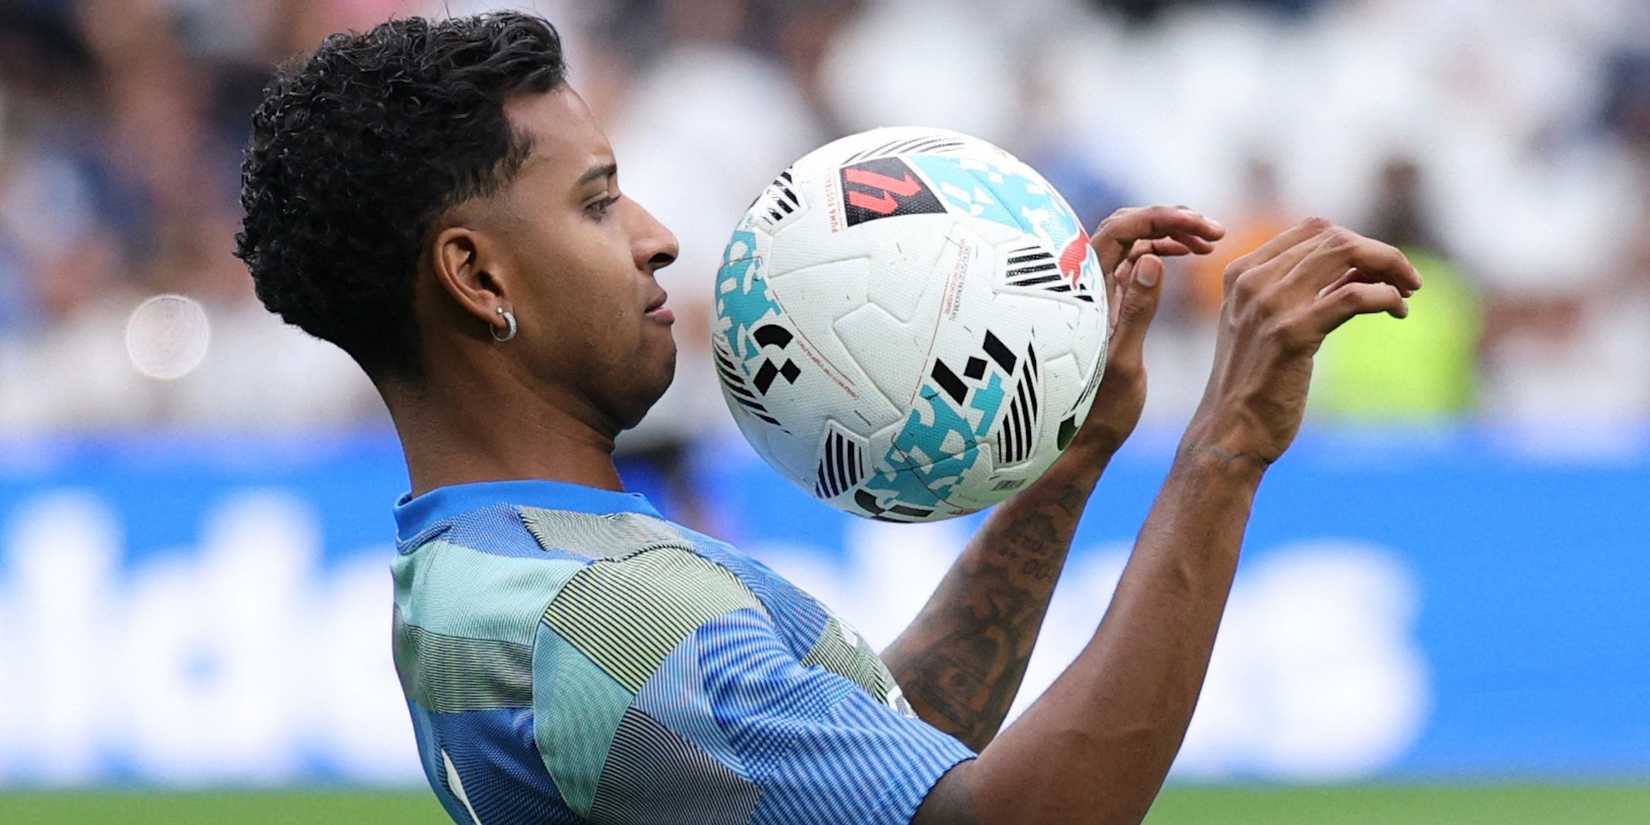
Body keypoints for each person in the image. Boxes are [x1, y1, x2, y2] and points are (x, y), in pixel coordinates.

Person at [234, 13, 1419, 825]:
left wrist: (1074, 443)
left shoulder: (490, 568)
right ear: (477, 278)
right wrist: (1226, 449)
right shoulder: (599, 617)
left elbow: (880, 751)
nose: (655, 234)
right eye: (596, 204)